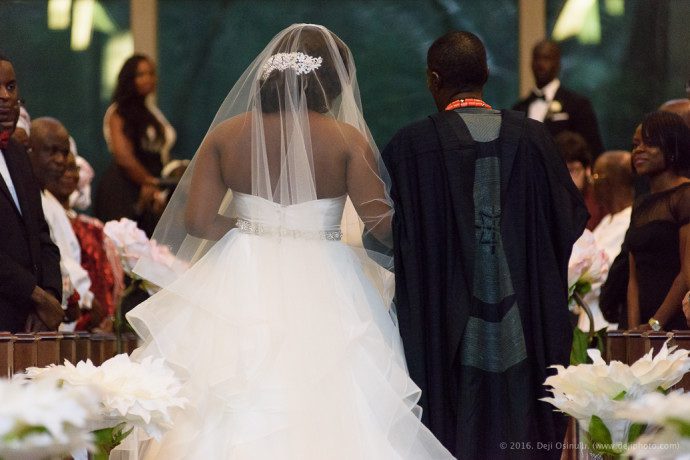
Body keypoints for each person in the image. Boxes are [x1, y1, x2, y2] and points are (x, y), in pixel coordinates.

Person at [124, 24, 453, 459]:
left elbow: (199, 221)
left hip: (241, 274)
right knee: (337, 391)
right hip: (326, 278)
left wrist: (251, 229)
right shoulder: (347, 141)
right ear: (333, 83)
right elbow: (382, 226)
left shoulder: (224, 136)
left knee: (224, 387)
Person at [381, 31, 588, 459]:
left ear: (433, 80)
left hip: (442, 339)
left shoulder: (408, 148)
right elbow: (568, 220)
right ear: (486, 75)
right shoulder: (534, 139)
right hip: (525, 328)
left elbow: (389, 238)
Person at [0, 53, 63, 332]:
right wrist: (35, 295)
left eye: (11, 87)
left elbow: (40, 234)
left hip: (28, 323)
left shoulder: (18, 155)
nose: (5, 96)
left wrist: (51, 294)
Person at [94, 54, 176, 236]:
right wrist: (151, 182)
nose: (148, 78)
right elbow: (124, 157)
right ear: (129, 79)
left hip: (150, 187)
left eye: (151, 73)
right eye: (141, 74)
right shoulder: (118, 111)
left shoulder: (153, 112)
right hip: (124, 189)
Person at [45, 150, 124, 331]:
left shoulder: (91, 227)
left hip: (96, 319)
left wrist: (110, 314)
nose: (68, 174)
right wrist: (86, 298)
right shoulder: (44, 208)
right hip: (72, 314)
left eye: (73, 168)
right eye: (62, 168)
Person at [627, 112, 690, 332]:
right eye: (635, 144)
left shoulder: (685, 195)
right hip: (644, 327)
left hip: (675, 325)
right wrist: (634, 330)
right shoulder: (640, 204)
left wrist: (655, 324)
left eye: (649, 143)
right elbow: (633, 277)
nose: (638, 150)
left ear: (672, 147)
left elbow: (687, 271)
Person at [513, 40, 604, 157]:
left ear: (558, 63)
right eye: (537, 58)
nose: (540, 64)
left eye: (547, 58)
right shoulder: (519, 109)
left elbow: (593, 149)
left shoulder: (577, 105)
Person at [592, 151, 634, 327]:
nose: (591, 183)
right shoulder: (605, 222)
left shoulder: (630, 220)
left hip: (608, 320)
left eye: (595, 176)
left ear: (608, 182)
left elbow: (607, 273)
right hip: (588, 315)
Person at [554, 130, 606, 229]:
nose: (566, 179)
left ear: (587, 169)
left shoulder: (601, 201)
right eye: (560, 172)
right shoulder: (547, 201)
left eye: (572, 170)